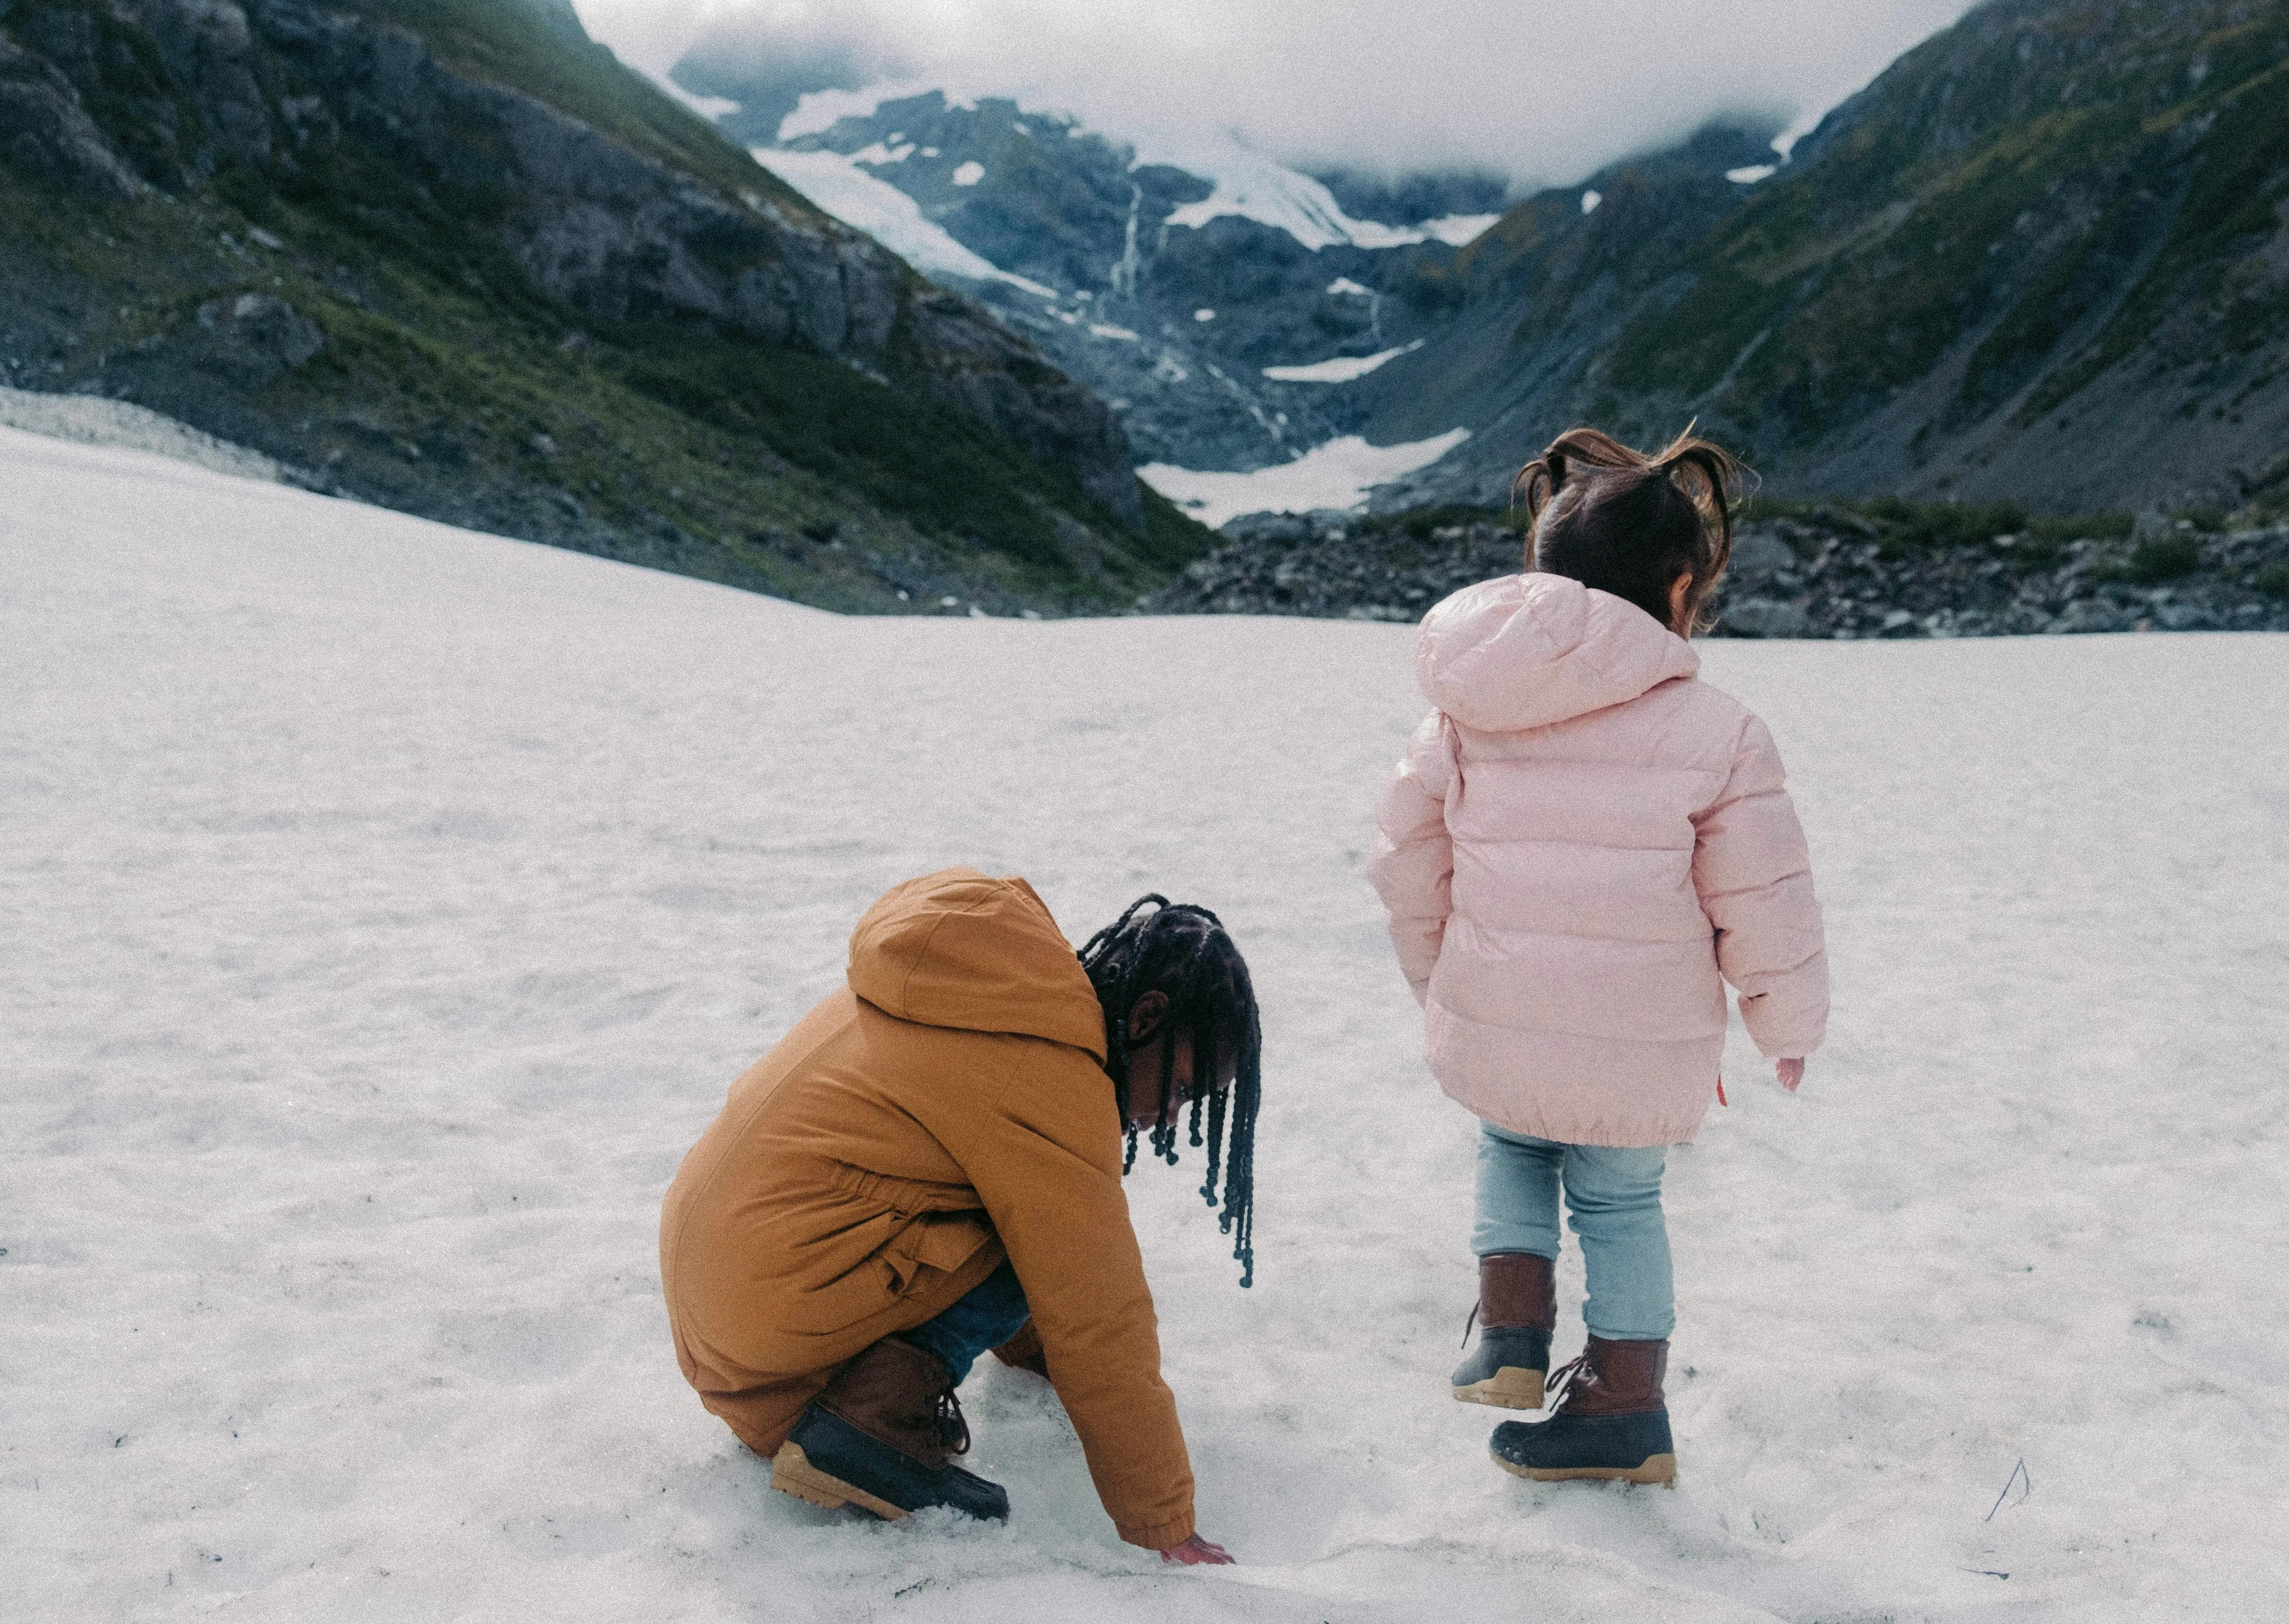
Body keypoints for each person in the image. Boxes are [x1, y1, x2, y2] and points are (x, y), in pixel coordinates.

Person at [1366, 426, 1830, 1486]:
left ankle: (1511, 1333)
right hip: (1642, 1035)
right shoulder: (1721, 731)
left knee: (1512, 1144)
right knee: (1621, 1203)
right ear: (1680, 587)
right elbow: (1765, 896)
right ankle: (1625, 1403)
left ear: (1541, 574)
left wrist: (1438, 977)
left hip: (1499, 1002)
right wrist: (1786, 1021)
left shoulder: (1464, 711)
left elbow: (1405, 860)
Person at [657, 870, 1258, 1563]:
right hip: (774, 1320)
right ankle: (869, 1424)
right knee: (1052, 1237)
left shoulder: (980, 992)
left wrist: (1042, 1359)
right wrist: (1165, 1524)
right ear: (1146, 1017)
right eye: (1180, 1088)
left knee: (1030, 1210)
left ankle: (878, 1397)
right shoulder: (1046, 1075)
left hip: (724, 1306)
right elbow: (1098, 1313)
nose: (1168, 1117)